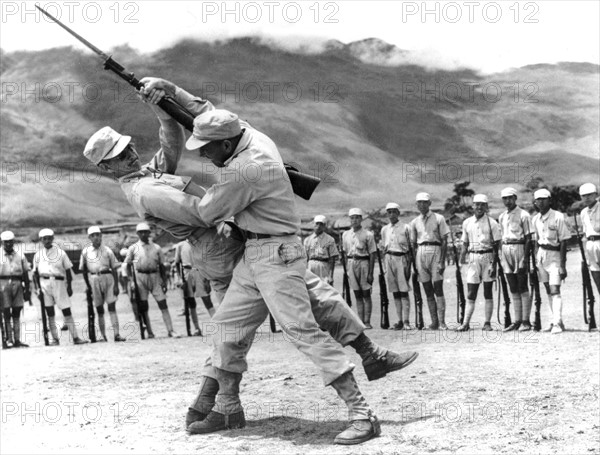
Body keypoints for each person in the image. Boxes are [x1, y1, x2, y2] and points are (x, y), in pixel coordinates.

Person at [83, 77, 418, 445]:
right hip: (249, 253)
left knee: (302, 327)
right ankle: (228, 404)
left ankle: (361, 413)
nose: (203, 157)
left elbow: (208, 210)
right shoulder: (250, 137)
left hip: (266, 251)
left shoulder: (241, 170)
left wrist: (165, 109)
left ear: (226, 143)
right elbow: (206, 116)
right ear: (106, 167)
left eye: (208, 150)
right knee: (239, 324)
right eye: (118, 155)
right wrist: (168, 96)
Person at [32, 229, 87, 345]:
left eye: (49, 238)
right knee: (49, 312)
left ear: (52, 238)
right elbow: (35, 274)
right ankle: (55, 339)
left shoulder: (61, 253)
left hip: (59, 282)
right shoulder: (37, 255)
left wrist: (69, 286)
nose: (47, 241)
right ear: (41, 240)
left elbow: (68, 270)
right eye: (44, 238)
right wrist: (37, 288)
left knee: (66, 309)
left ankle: (75, 337)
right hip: (44, 283)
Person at [125, 223, 180, 338]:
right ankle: (149, 331)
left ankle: (170, 330)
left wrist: (164, 281)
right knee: (144, 305)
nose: (144, 234)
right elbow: (127, 265)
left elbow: (162, 266)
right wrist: (131, 281)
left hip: (155, 276)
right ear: (137, 234)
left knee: (163, 303)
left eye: (146, 232)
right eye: (141, 232)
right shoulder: (133, 248)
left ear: (149, 233)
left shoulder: (156, 247)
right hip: (140, 277)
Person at [456, 194, 501, 332]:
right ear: (473, 206)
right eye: (477, 204)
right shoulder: (467, 223)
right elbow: (464, 243)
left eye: (482, 204)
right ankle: (465, 323)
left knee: (488, 292)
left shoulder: (492, 223)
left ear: (486, 207)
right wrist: (461, 259)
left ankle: (487, 323)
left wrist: (493, 264)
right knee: (471, 293)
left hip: (488, 257)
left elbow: (496, 245)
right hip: (473, 257)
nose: (479, 207)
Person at [531, 189, 571, 334]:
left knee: (555, 290)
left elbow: (564, 242)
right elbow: (536, 241)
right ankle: (555, 320)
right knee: (548, 290)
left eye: (544, 199)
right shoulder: (535, 219)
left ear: (550, 200)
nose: (541, 202)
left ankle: (557, 324)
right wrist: (535, 260)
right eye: (538, 200)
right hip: (542, 256)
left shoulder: (558, 217)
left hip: (555, 256)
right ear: (535, 202)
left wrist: (562, 265)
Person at [409, 193, 450, 330]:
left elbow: (444, 240)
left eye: (424, 202)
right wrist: (415, 263)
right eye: (419, 202)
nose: (422, 205)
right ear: (416, 205)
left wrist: (442, 261)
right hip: (421, 252)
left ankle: (442, 322)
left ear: (430, 203)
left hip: (435, 250)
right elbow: (413, 244)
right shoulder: (414, 222)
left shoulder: (439, 218)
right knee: (427, 289)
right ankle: (434, 322)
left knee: (438, 287)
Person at [79, 226, 126, 342]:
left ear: (101, 236)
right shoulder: (85, 252)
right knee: (99, 308)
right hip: (94, 279)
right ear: (89, 237)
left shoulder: (108, 250)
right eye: (93, 235)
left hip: (108, 277)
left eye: (98, 235)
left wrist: (116, 285)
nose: (96, 238)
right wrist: (87, 286)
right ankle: (102, 335)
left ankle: (117, 334)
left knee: (111, 306)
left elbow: (114, 269)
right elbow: (84, 271)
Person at [497, 188, 533, 331]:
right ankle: (517, 320)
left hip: (519, 248)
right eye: (504, 198)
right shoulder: (501, 216)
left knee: (522, 285)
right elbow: (501, 237)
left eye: (510, 198)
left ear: (515, 198)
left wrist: (525, 258)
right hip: (506, 250)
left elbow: (529, 238)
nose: (507, 201)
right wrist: (501, 254)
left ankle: (526, 320)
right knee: (512, 286)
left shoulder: (524, 215)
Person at [341, 208, 377, 329]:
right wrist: (346, 270)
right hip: (351, 263)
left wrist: (371, 273)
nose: (354, 220)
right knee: (357, 294)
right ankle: (360, 321)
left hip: (364, 262)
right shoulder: (345, 235)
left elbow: (372, 253)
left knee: (366, 293)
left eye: (357, 217)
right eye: (352, 217)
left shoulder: (368, 234)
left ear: (361, 219)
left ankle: (367, 321)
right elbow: (345, 253)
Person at [380, 202, 412, 330]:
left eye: (394, 211)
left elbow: (410, 248)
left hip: (402, 258)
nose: (391, 214)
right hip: (389, 258)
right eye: (389, 212)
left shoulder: (406, 228)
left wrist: (409, 266)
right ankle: (399, 320)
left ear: (398, 213)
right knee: (395, 292)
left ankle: (406, 321)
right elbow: (383, 247)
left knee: (403, 291)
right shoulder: (384, 229)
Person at [174, 239, 215, 335]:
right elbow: (177, 262)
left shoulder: (200, 243)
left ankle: (217, 325)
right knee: (191, 302)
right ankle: (197, 328)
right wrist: (180, 278)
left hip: (200, 272)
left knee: (207, 300)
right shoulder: (180, 245)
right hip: (187, 273)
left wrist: (207, 280)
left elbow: (206, 263)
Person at [0, 231, 31, 347]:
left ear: (13, 242)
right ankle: (9, 339)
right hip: (2, 284)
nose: (8, 244)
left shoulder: (20, 255)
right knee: (6, 311)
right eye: (6, 242)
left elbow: (26, 273)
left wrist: (27, 289)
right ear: (2, 242)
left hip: (17, 282)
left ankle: (17, 339)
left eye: (10, 242)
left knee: (17, 310)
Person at [303, 215, 338, 284]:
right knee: (311, 289)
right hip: (311, 267)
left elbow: (332, 259)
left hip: (324, 267)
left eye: (321, 224)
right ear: (313, 224)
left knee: (325, 289)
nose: (318, 226)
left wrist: (331, 275)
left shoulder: (329, 239)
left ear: (324, 226)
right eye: (317, 223)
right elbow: (305, 258)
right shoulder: (307, 240)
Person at [579, 183, 600, 295]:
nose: (586, 198)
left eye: (589, 195)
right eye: (584, 195)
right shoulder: (583, 213)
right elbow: (584, 235)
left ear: (596, 194)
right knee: (596, 277)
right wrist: (585, 256)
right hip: (590, 245)